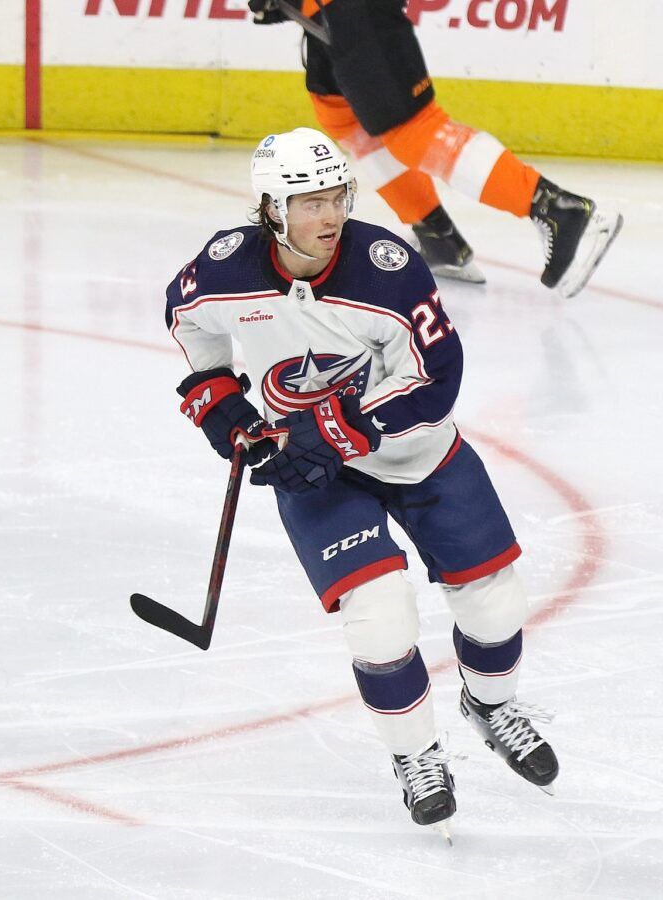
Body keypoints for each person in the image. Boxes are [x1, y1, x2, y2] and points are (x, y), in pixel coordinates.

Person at [165, 127, 558, 837]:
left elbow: (436, 382)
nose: (331, 215)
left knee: (495, 605)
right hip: (314, 476)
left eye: (337, 195)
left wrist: (330, 430)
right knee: (379, 621)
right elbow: (193, 337)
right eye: (309, 201)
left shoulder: (386, 267)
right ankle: (417, 758)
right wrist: (232, 422)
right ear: (271, 210)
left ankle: (492, 708)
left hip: (418, 455)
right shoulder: (224, 269)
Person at [245, 0, 622, 295]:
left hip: (357, 9)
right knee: (347, 121)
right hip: (325, 14)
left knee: (413, 129)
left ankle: (562, 211)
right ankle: (436, 236)